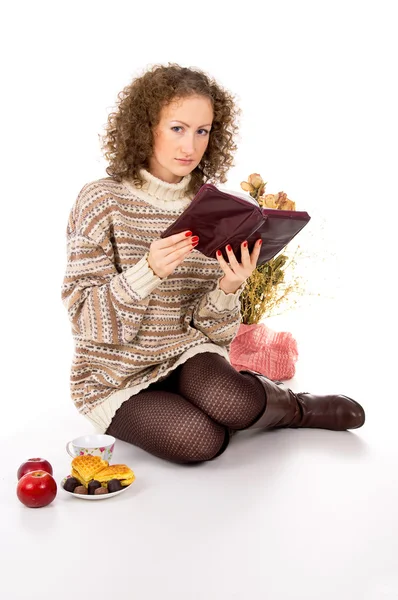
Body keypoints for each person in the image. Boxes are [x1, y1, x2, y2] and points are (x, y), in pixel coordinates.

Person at [61, 63, 365, 464]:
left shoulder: (212, 208)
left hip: (185, 353)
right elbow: (85, 318)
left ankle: (296, 408)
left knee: (235, 403)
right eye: (177, 128)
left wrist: (227, 289)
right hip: (114, 375)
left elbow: (213, 333)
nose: (190, 146)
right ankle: (207, 407)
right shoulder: (101, 201)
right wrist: (146, 273)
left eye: (202, 131)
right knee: (199, 441)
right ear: (146, 125)